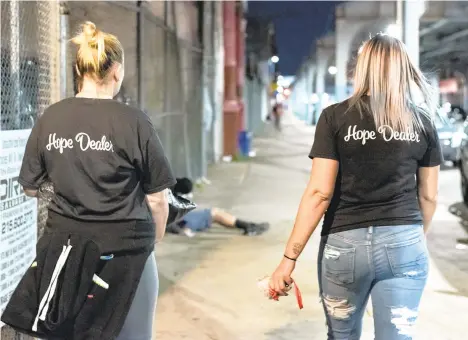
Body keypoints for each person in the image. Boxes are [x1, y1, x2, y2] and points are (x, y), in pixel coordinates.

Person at [1, 22, 175, 340]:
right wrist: (156, 237)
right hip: (124, 256)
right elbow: (156, 199)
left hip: (64, 254)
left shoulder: (51, 117)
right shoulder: (133, 121)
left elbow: (29, 186)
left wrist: (68, 190)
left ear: (79, 69)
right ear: (117, 71)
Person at [269, 33, 442, 339]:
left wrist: (288, 259)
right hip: (404, 242)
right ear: (403, 68)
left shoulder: (334, 117)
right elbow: (428, 195)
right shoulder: (422, 122)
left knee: (342, 336)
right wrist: (414, 237)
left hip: (344, 246)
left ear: (362, 68)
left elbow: (319, 193)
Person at [168, 178, 269, 237]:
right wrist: (181, 230)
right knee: (214, 214)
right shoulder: (167, 194)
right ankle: (248, 226)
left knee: (215, 214)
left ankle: (248, 226)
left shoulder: (167, 191)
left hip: (181, 218)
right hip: (181, 221)